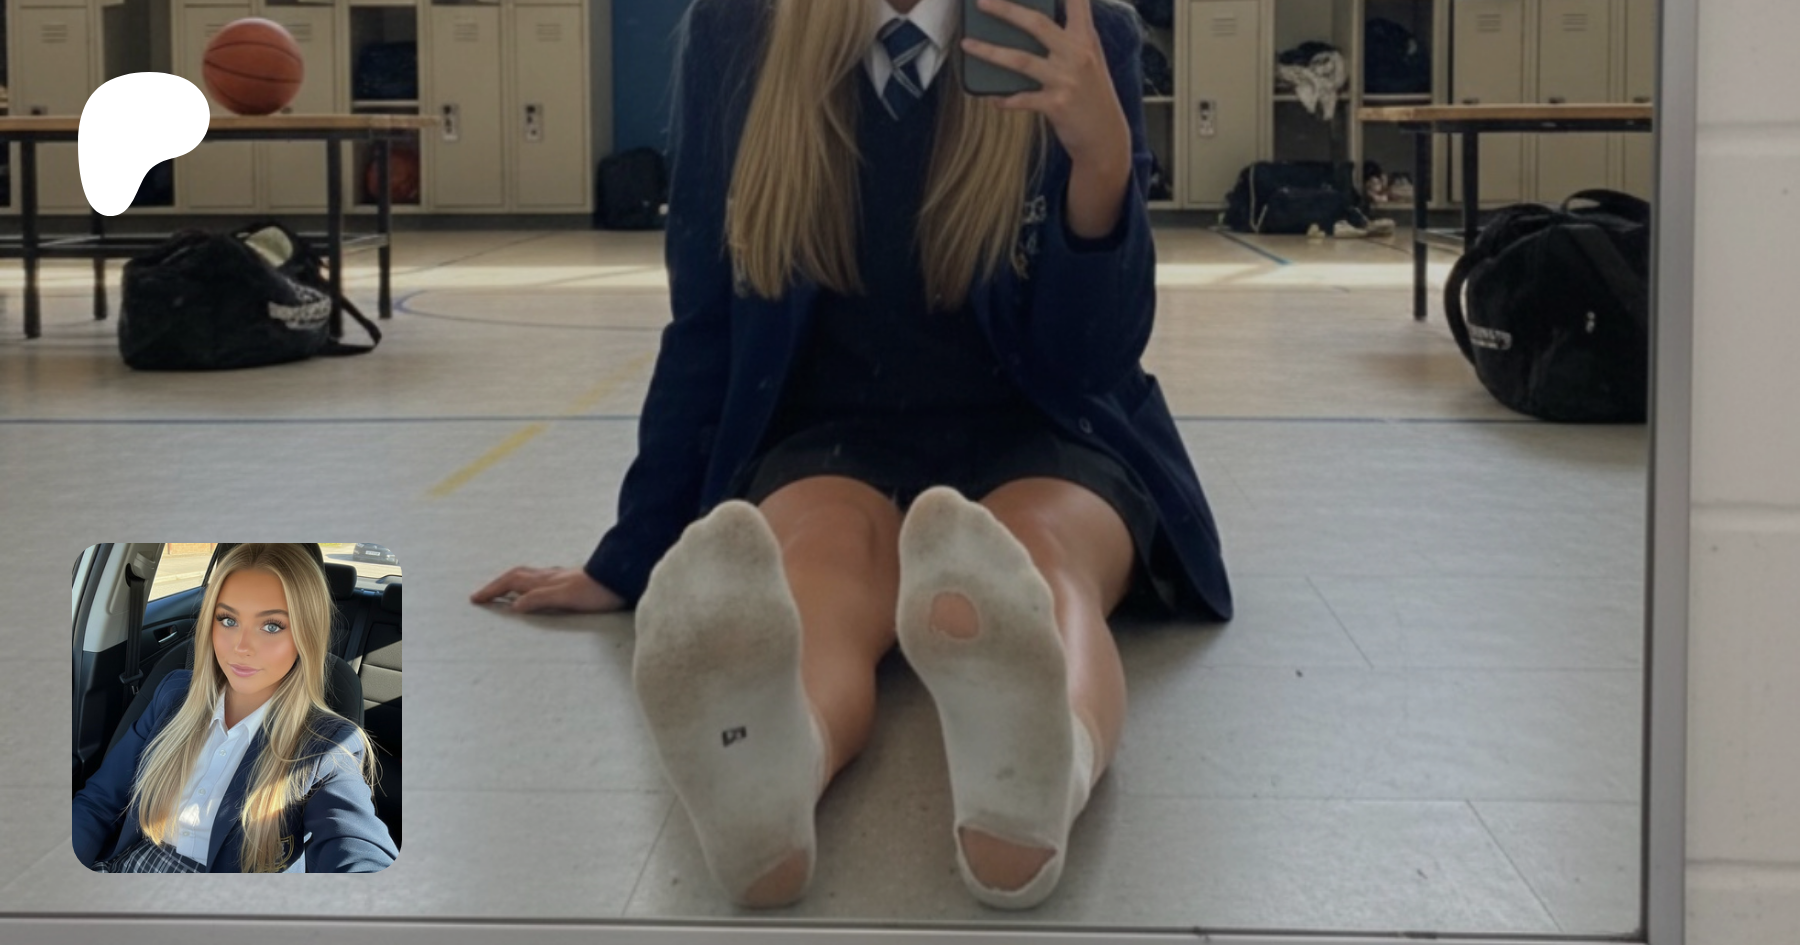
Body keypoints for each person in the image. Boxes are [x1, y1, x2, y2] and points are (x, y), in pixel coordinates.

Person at [473, 0, 1231, 909]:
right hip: (832, 433)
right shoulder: (738, 33)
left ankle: (1042, 766)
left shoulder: (1079, 31)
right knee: (815, 573)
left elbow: (1093, 360)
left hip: (1044, 423)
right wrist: (629, 555)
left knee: (1038, 564)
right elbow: (705, 322)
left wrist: (1101, 166)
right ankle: (776, 769)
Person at [73, 543, 396, 873]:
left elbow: (358, 850)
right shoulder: (173, 694)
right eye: (228, 620)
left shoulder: (326, 746)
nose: (241, 647)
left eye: (272, 626)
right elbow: (100, 802)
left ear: (306, 635)